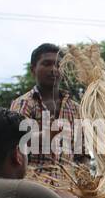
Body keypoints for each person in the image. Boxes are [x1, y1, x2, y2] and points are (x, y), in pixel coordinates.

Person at [8, 42, 89, 188]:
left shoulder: (75, 109)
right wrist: (47, 135)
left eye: (58, 65)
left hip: (68, 190)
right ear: (33, 70)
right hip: (31, 188)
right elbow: (16, 144)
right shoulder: (24, 104)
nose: (53, 69)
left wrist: (85, 182)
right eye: (47, 64)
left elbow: (82, 153)